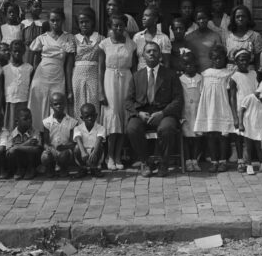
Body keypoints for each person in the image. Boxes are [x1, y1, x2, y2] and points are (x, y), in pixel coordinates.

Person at [127, 41, 184, 176]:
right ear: (143, 56)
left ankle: (164, 163)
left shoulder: (170, 75)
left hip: (164, 113)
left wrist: (163, 113)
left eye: (155, 51)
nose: (152, 53)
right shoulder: (136, 76)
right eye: (148, 51)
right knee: (132, 128)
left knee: (167, 128)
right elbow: (128, 101)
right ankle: (145, 162)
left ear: (160, 55)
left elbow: (178, 99)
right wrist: (138, 113)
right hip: (143, 113)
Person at [28, 8, 75, 131]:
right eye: (52, 20)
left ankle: (55, 138)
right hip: (41, 76)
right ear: (48, 21)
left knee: (57, 105)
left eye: (58, 20)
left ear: (63, 21)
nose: (55, 23)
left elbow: (68, 66)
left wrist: (69, 89)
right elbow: (35, 61)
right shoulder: (42, 38)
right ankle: (38, 136)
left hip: (58, 76)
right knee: (38, 106)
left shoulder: (68, 38)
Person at [100, 15, 135, 170]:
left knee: (123, 116)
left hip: (126, 79)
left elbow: (133, 68)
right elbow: (100, 69)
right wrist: (101, 92)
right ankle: (109, 156)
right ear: (111, 26)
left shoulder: (131, 45)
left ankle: (118, 156)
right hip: (109, 80)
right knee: (113, 116)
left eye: (121, 26)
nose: (119, 29)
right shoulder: (104, 44)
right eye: (116, 26)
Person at [230, 49, 260, 173]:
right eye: (241, 60)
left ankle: (250, 160)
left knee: (251, 136)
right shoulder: (234, 77)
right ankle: (240, 160)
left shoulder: (253, 74)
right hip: (240, 111)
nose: (244, 62)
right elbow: (232, 97)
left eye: (246, 59)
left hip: (253, 110)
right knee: (239, 137)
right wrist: (235, 117)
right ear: (236, 61)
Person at [41, 92, 80, 177]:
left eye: (61, 103)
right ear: (51, 105)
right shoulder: (47, 122)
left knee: (64, 154)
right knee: (45, 156)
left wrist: (64, 147)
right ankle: (50, 168)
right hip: (52, 150)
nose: (59, 106)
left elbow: (73, 143)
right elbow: (45, 142)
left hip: (65, 150)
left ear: (65, 104)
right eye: (56, 104)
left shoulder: (72, 122)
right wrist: (49, 149)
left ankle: (64, 168)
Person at [178, 52, 203, 171]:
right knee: (187, 137)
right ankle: (188, 160)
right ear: (182, 65)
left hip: (198, 112)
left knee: (197, 137)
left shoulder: (200, 78)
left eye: (191, 64)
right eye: (186, 64)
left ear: (196, 64)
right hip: (186, 112)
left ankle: (195, 159)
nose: (189, 66)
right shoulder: (180, 79)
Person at [3, 39, 33, 130]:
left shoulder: (29, 68)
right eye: (15, 51)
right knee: (10, 125)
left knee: (23, 124)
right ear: (10, 52)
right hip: (10, 101)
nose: (17, 54)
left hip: (23, 101)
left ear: (24, 52)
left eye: (19, 51)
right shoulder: (5, 69)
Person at [5, 107, 41, 181]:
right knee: (12, 153)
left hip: (31, 160)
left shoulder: (35, 132)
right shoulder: (12, 134)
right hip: (18, 161)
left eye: (30, 118)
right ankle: (20, 169)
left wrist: (17, 147)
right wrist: (26, 143)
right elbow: (9, 151)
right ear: (17, 121)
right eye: (25, 119)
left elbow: (37, 149)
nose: (29, 120)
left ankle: (30, 169)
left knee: (31, 149)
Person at [73, 103, 106, 177]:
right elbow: (78, 138)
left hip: (95, 153)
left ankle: (94, 168)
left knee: (99, 146)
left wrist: (94, 152)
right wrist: (83, 152)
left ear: (96, 115)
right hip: (83, 154)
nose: (90, 118)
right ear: (82, 118)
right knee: (77, 147)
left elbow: (99, 139)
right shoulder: (77, 128)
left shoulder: (101, 128)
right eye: (87, 116)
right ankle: (82, 168)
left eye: (92, 115)